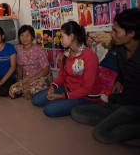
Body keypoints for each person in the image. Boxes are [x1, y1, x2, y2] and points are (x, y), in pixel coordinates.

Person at [71, 8, 140, 144]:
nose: (112, 35)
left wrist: (113, 98)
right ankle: (116, 120)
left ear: (131, 33)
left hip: (133, 105)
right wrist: (119, 81)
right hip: (120, 102)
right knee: (77, 112)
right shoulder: (120, 50)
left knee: (101, 134)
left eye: (116, 31)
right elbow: (123, 71)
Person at [32, 21, 102, 117]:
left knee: (49, 110)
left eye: (62, 36)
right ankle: (64, 101)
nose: (60, 39)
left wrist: (61, 96)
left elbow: (86, 89)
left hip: (85, 96)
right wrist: (53, 87)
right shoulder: (67, 54)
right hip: (68, 89)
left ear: (71, 37)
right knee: (36, 100)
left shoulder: (90, 57)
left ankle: (74, 103)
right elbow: (63, 75)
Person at [9, 25, 52, 99]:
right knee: (12, 90)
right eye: (22, 35)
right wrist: (19, 82)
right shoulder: (17, 49)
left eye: (27, 35)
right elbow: (19, 67)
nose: (24, 38)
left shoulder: (39, 50)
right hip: (26, 78)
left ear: (32, 37)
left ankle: (42, 90)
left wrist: (29, 81)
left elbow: (46, 70)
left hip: (40, 76)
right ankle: (28, 92)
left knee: (32, 89)